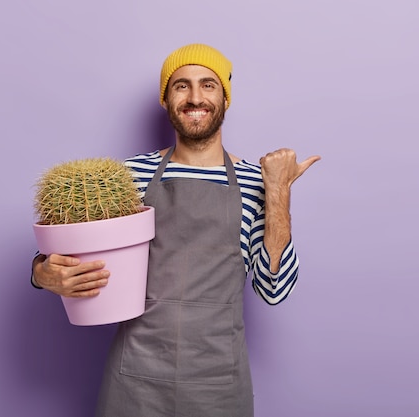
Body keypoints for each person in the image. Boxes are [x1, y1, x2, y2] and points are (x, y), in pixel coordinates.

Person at [31, 43, 320, 417]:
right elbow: (69, 248)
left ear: (225, 98)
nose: (195, 97)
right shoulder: (126, 177)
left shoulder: (256, 182)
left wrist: (278, 191)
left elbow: (274, 290)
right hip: (134, 380)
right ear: (166, 100)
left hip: (219, 384)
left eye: (208, 85)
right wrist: (42, 273)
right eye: (181, 86)